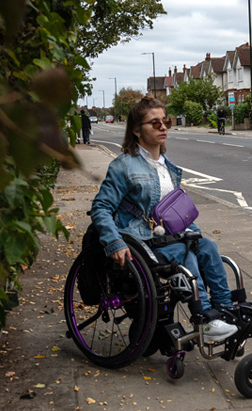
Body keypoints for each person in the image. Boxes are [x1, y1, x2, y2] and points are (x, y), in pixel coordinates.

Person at [90, 96, 237, 341]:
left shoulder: (168, 166)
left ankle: (224, 310)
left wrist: (194, 233)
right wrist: (114, 242)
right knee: (185, 254)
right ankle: (205, 320)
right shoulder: (124, 166)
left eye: (165, 121)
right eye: (155, 123)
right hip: (141, 239)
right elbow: (101, 208)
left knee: (208, 247)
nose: (163, 127)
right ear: (137, 130)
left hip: (169, 236)